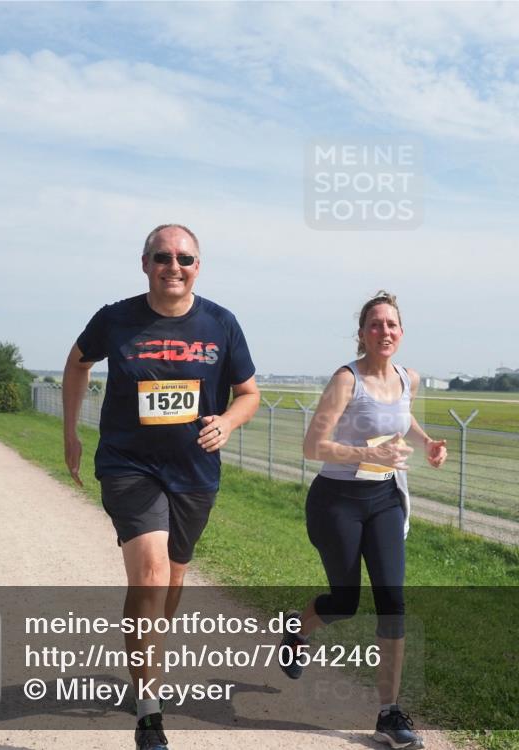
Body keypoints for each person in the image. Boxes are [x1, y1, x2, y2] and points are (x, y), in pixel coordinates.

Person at [62, 224, 260, 750]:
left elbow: (249, 393)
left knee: (171, 583)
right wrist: (70, 433)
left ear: (199, 266)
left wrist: (230, 422)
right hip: (129, 464)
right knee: (150, 573)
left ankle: (144, 654)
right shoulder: (116, 318)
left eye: (185, 258)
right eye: (163, 256)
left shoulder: (221, 324)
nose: (174, 266)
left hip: (194, 471)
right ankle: (149, 710)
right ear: (145, 262)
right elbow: (76, 363)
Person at [278, 291, 447, 750]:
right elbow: (313, 447)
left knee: (393, 601)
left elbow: (401, 414)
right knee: (346, 601)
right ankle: (297, 628)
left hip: (386, 498)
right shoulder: (345, 380)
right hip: (337, 501)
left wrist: (428, 440)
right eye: (375, 324)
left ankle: (389, 713)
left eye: (391, 324)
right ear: (362, 333)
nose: (384, 332)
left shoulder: (407, 376)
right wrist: (366, 453)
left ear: (401, 331)